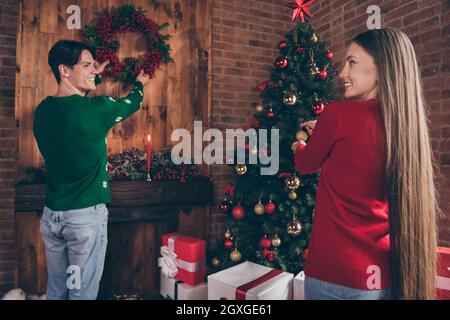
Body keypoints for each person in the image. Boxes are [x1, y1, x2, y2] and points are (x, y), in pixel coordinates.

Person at [291, 29, 439, 300]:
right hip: (383, 280)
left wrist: (300, 144)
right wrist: (324, 130)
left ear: (382, 68)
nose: (342, 74)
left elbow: (305, 163)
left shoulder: (335, 114)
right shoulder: (406, 127)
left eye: (352, 62)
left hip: (332, 276)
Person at [33, 40, 151, 300]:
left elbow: (74, 108)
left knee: (57, 290)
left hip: (52, 217)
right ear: (64, 70)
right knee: (81, 293)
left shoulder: (43, 111)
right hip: (84, 220)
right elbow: (131, 103)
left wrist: (89, 77)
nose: (94, 71)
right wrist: (141, 83)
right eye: (87, 65)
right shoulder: (98, 109)